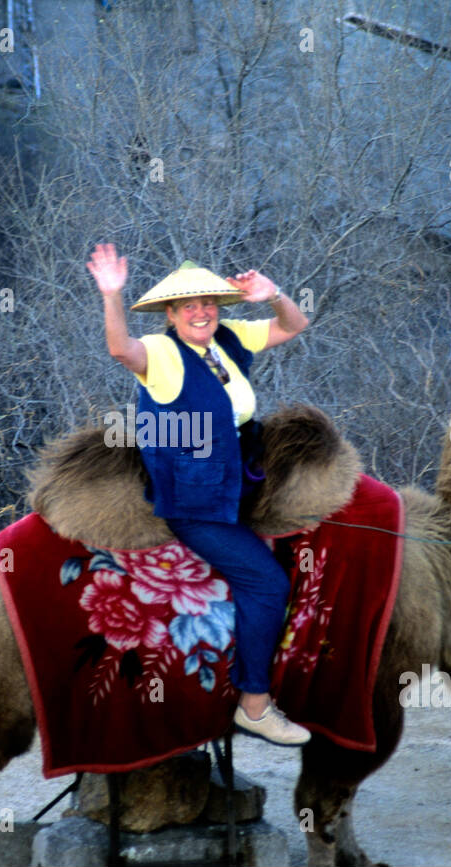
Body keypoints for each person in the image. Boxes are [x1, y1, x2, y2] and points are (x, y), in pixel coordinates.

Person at [87, 243, 312, 746]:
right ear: (170, 314)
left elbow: (295, 325)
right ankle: (254, 705)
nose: (201, 311)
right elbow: (121, 349)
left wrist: (272, 294)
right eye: (188, 305)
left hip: (240, 484)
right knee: (267, 585)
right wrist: (112, 295)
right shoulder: (163, 353)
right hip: (196, 503)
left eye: (207, 302)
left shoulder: (228, 339)